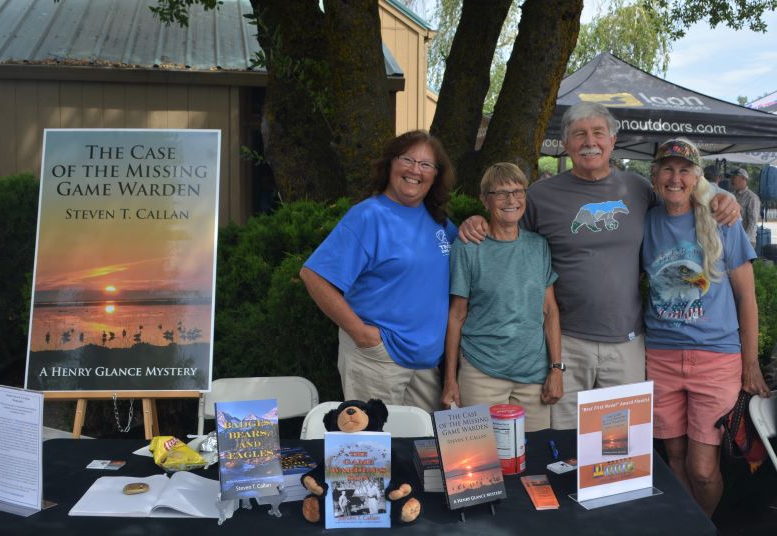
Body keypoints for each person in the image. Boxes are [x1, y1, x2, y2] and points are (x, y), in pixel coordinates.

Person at [459, 102, 742, 429]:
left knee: (619, 448)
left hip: (626, 342)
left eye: (597, 133)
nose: (589, 141)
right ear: (566, 144)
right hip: (566, 341)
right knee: (563, 445)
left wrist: (722, 197)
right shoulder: (539, 196)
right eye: (579, 134)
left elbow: (683, 194)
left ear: (612, 140)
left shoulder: (637, 190)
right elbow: (506, 235)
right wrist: (476, 219)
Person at [643, 138, 770, 517]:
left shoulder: (722, 220)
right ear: (654, 176)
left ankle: (705, 525)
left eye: (684, 170)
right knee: (674, 459)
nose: (675, 177)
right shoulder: (646, 220)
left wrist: (751, 363)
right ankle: (689, 526)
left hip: (716, 358)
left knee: (703, 468)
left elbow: (747, 298)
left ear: (698, 177)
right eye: (667, 169)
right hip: (661, 355)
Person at [300, 130, 457, 412]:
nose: (415, 170)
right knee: (374, 451)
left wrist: (475, 225)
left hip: (426, 363)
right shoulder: (368, 216)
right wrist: (360, 333)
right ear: (390, 164)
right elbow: (313, 275)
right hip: (378, 359)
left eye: (425, 164)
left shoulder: (439, 222)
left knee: (422, 450)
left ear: (436, 175)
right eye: (407, 159)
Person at [442, 163, 562, 432]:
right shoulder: (468, 247)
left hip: (533, 375)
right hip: (482, 371)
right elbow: (457, 315)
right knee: (480, 463)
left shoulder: (538, 246)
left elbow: (550, 312)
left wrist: (556, 369)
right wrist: (450, 379)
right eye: (501, 193)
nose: (512, 200)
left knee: (534, 461)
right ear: (485, 200)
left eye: (518, 191)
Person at [730, 167, 761, 249]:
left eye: (734, 177)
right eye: (731, 177)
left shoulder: (752, 197)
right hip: (733, 239)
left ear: (743, 178)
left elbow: (753, 222)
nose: (731, 180)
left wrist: (744, 239)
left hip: (747, 241)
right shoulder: (731, 195)